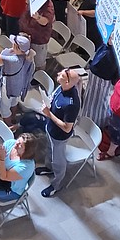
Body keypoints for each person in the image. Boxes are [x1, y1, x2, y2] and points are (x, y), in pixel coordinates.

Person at [40, 68, 81, 198]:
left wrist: (49, 114)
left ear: (68, 82)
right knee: (49, 150)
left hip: (59, 136)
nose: (58, 74)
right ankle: (48, 168)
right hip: (50, 128)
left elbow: (67, 127)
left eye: (62, 75)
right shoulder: (60, 88)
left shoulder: (72, 104)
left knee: (59, 161)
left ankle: (56, 184)